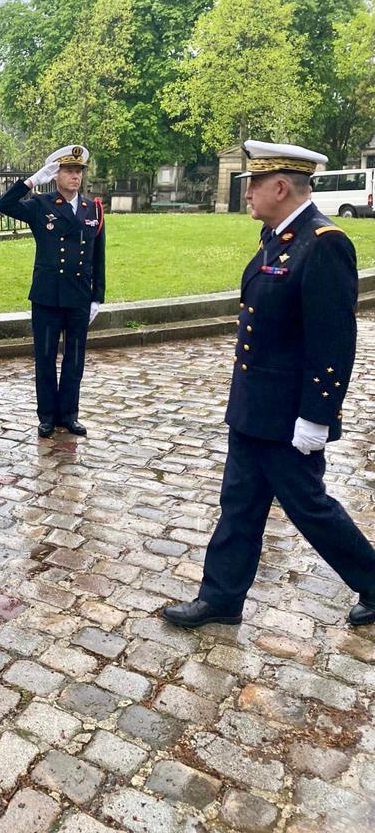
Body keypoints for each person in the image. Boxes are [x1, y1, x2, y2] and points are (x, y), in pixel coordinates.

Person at [163, 140, 375, 630]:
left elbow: (333, 340)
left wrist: (317, 416)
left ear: (280, 187)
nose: (247, 194)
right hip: (253, 408)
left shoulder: (323, 243)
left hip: (287, 416)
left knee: (310, 508)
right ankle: (221, 598)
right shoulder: (277, 237)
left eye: (253, 184)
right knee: (239, 504)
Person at [0, 145, 105, 437]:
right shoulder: (40, 204)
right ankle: (46, 416)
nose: (75, 176)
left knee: (75, 359)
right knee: (45, 358)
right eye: (68, 170)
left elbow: (98, 256)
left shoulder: (92, 208)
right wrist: (31, 181)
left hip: (79, 295)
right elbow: (3, 204)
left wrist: (97, 296)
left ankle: (69, 414)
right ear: (55, 174)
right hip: (47, 295)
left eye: (78, 171)